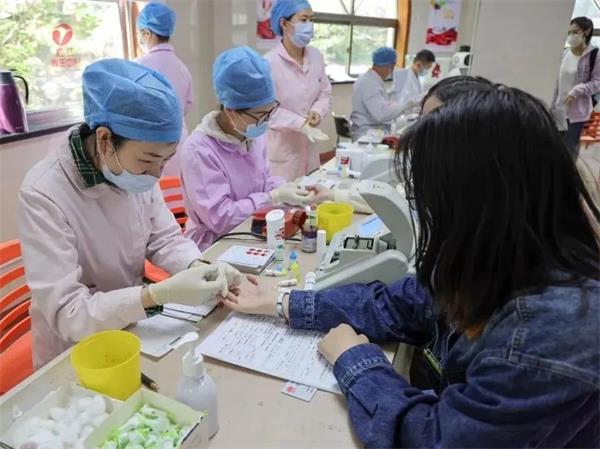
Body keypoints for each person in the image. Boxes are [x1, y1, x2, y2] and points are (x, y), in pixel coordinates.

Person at [220, 85, 600, 447]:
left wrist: (356, 361)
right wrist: (286, 302)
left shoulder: (547, 335)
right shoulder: (502, 255)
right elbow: (405, 302)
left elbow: (434, 439)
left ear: (477, 205)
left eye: (433, 203)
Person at [17, 59, 241, 368]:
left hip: (133, 327)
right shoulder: (43, 194)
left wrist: (200, 267)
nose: (157, 174)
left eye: (165, 160)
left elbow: (164, 239)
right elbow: (69, 313)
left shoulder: (131, 168)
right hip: (76, 348)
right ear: (104, 139)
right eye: (148, 160)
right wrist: (154, 295)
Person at [180, 47, 313, 251]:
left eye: (269, 112)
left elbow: (265, 181)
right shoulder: (198, 150)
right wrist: (272, 197)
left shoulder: (252, 136)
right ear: (231, 111)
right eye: (260, 115)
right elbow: (220, 218)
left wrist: (289, 190)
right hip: (214, 245)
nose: (265, 121)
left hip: (253, 231)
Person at [309, 75, 494, 214]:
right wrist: (332, 195)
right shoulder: (432, 175)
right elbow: (394, 199)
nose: (422, 135)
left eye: (433, 125)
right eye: (422, 121)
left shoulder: (477, 202)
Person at [265, 0, 332, 181]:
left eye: (311, 19)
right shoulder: (269, 63)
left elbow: (325, 92)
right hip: (283, 155)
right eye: (303, 20)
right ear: (284, 23)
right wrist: (299, 123)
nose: (309, 25)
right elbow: (266, 110)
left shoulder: (316, 56)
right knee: (284, 197)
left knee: (311, 193)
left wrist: (317, 111)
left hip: (309, 152)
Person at [136, 2, 193, 177]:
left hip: (150, 148)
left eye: (140, 33)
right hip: (179, 142)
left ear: (147, 33)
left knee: (157, 191)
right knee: (180, 190)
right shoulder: (182, 68)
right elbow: (187, 106)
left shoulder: (138, 67)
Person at [552, 16, 600, 158]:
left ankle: (567, 171)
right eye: (569, 32)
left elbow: (598, 83)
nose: (571, 36)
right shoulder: (565, 53)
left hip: (576, 113)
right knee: (554, 148)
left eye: (575, 32)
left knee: (569, 149)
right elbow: (557, 81)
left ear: (586, 32)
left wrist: (577, 91)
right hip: (558, 109)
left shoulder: (594, 55)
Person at [350, 47, 407, 140]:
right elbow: (381, 114)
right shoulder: (370, 83)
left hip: (369, 130)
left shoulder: (367, 79)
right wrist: (404, 106)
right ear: (390, 66)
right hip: (368, 134)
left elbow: (378, 105)